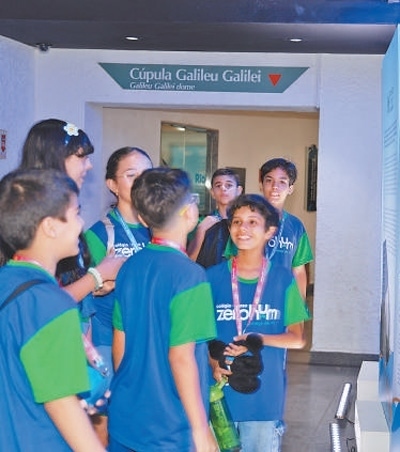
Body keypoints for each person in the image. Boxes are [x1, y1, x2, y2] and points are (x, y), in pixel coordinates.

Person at [109, 167, 218, 452]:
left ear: (143, 218)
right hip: (170, 427)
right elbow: (181, 358)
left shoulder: (129, 267)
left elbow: (120, 345)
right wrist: (200, 429)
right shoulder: (190, 276)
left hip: (125, 417)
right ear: (190, 212)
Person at [0, 168, 105, 451]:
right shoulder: (51, 303)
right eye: (76, 213)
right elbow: (62, 404)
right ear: (50, 227)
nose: (81, 223)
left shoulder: (6, 280)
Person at [207, 193, 311, 452]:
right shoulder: (210, 278)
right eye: (237, 222)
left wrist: (255, 340)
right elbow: (200, 336)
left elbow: (298, 338)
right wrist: (213, 363)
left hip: (263, 400)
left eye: (252, 222)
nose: (243, 228)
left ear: (269, 231)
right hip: (219, 398)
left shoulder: (283, 279)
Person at [84, 146, 153, 444]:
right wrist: (100, 284)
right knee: (106, 421)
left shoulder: (160, 228)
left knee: (142, 418)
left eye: (146, 174)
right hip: (107, 337)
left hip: (149, 338)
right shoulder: (100, 233)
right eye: (131, 175)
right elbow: (88, 286)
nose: (141, 182)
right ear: (112, 184)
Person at [19, 118, 124, 302]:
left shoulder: (60, 208)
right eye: (81, 157)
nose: (89, 165)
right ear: (56, 158)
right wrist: (96, 276)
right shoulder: (28, 216)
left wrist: (93, 285)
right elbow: (41, 301)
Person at [259, 158, 313, 299]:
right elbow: (232, 263)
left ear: (290, 189)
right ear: (261, 185)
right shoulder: (244, 221)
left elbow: (299, 271)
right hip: (248, 301)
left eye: (282, 182)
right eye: (269, 180)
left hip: (281, 300)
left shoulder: (296, 226)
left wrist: (299, 307)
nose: (274, 187)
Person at [187, 167, 242, 267]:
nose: (223, 188)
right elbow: (188, 262)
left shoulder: (245, 224)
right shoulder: (200, 223)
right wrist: (201, 231)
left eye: (229, 185)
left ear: (238, 190)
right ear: (212, 192)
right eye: (218, 185)